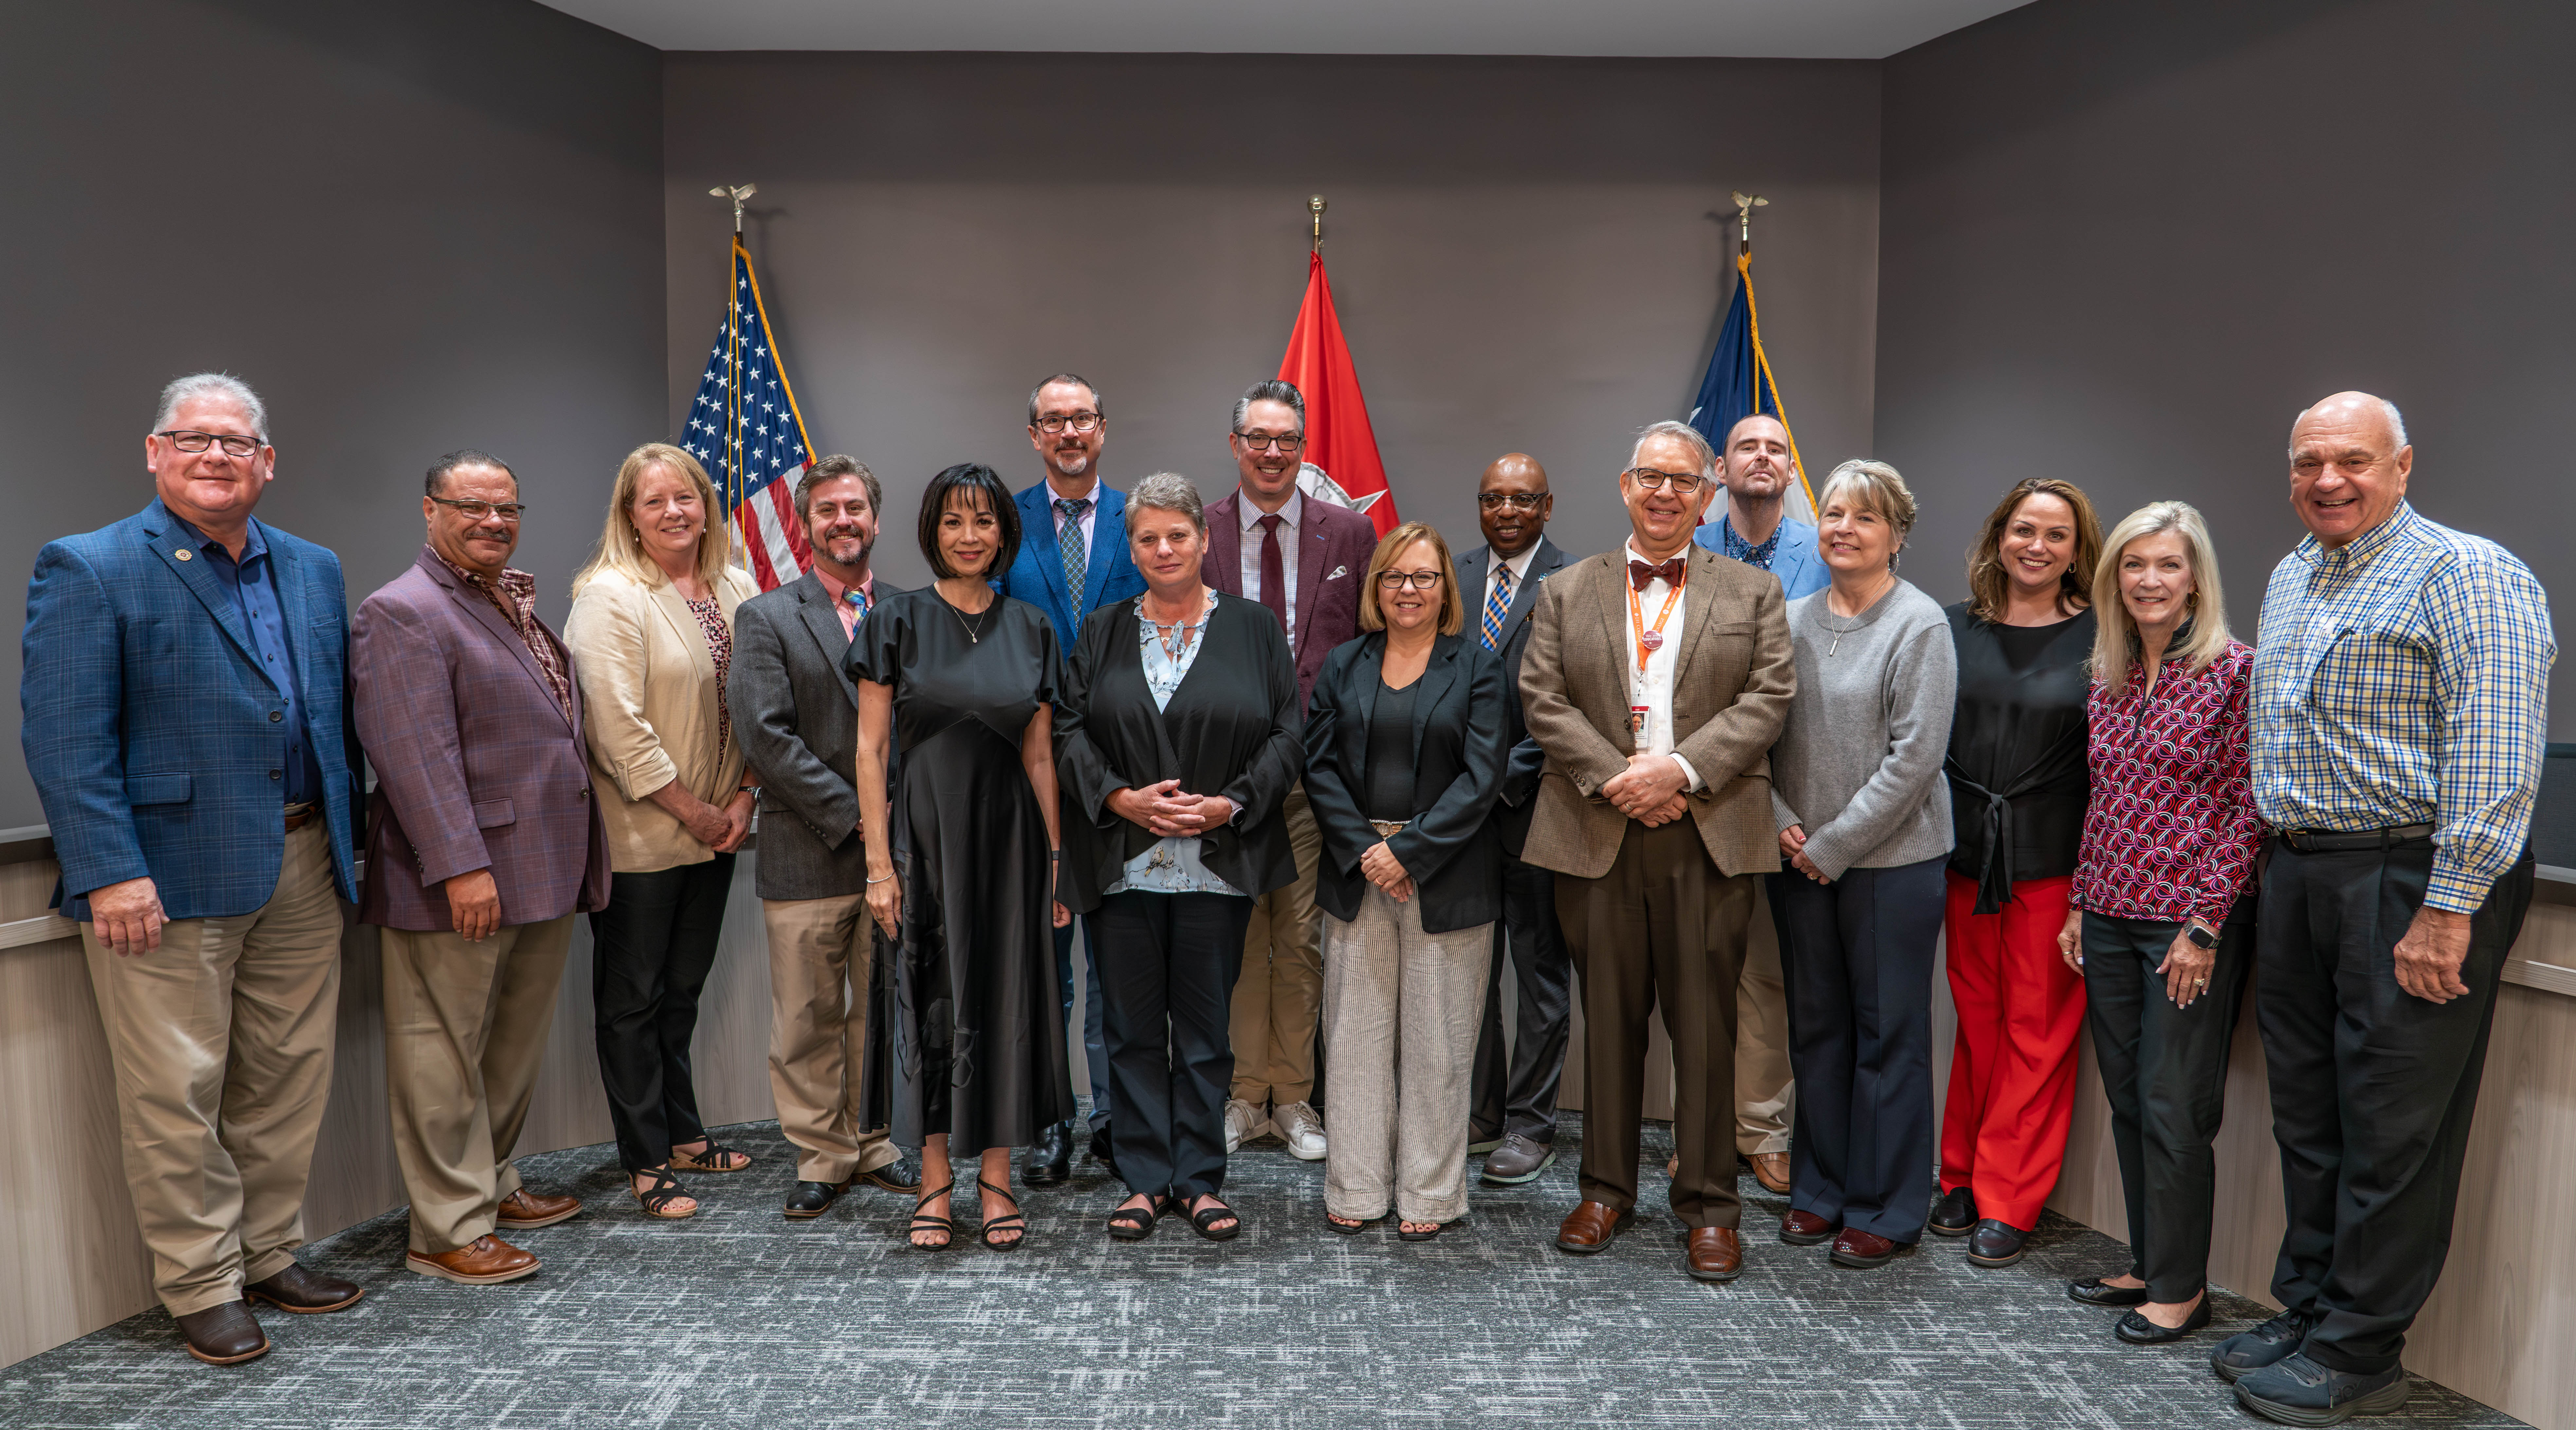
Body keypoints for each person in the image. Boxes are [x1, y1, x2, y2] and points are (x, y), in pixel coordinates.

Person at [2219, 393, 2552, 1425]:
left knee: (2390, 1125)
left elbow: (2496, 755)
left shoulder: (2469, 573)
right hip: (2302, 868)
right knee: (2309, 1117)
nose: (2327, 480)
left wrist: (2448, 905)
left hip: (2410, 876)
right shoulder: (2288, 575)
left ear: (2401, 466)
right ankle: (2311, 1308)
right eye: (2307, 461)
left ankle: (2359, 1351)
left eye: (2352, 461)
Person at [20, 373, 364, 1364]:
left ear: (267, 462)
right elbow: (65, 738)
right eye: (193, 439)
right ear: (153, 451)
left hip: (302, 857)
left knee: (287, 1079)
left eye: (236, 442)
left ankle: (268, 1252)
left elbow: (327, 720)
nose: (215, 456)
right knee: (176, 1091)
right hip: (162, 878)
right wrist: (108, 870)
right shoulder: (88, 568)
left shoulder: (311, 567)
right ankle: (202, 1283)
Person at [1520, 419, 1794, 1284]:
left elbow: (1767, 699)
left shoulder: (1750, 595)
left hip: (1707, 835)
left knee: (1705, 1029)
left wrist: (1675, 771)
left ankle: (1710, 1207)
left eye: (1682, 481)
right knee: (1608, 1022)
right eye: (1650, 478)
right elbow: (1542, 698)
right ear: (1624, 486)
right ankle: (1602, 1190)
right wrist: (1618, 780)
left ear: (1706, 494)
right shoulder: (1566, 589)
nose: (1665, 493)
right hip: (1596, 832)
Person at [353, 449, 611, 1284]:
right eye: (471, 506)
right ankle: (443, 1228)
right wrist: (461, 867)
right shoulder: (403, 611)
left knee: (507, 1046)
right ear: (429, 511)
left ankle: (490, 1185)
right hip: (462, 877)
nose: (493, 521)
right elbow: (413, 755)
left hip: (538, 863)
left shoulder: (507, 602)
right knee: (442, 1050)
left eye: (506, 507)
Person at [1056, 473, 1303, 1242]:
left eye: (1177, 535)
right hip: (1121, 863)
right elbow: (1067, 731)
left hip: (1217, 862)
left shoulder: (1255, 628)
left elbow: (1288, 735)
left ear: (1203, 539)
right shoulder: (1098, 631)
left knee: (1203, 1032)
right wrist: (1120, 799)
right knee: (1128, 1029)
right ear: (1130, 548)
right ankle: (1141, 1180)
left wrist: (1231, 802)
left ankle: (1197, 1181)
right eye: (1146, 538)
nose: (1162, 550)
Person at [851, 463, 1076, 1252]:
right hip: (923, 842)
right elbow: (870, 748)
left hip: (1012, 844)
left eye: (983, 522)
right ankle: (936, 1181)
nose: (970, 536)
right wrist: (879, 866)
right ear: (931, 532)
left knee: (1005, 999)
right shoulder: (895, 621)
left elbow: (1042, 758)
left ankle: (997, 1180)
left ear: (1004, 534)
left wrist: (1056, 860)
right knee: (931, 999)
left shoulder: (1033, 628)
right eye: (953, 522)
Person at [2060, 501, 2259, 1345]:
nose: (2148, 580)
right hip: (2105, 915)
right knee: (2130, 1100)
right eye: (2133, 565)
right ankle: (2149, 1260)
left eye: (2166, 565)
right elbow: (2101, 797)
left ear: (2195, 579)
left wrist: (2206, 923)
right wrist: (2077, 898)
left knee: (2175, 1106)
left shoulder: (2236, 671)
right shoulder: (2107, 673)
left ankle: (2182, 1289)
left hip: (2184, 924)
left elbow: (2247, 808)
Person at [564, 443, 761, 1220]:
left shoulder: (736, 587)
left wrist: (744, 797)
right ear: (629, 517)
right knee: (632, 1003)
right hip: (648, 836)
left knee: (681, 993)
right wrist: (694, 810)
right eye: (656, 502)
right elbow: (615, 728)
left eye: (687, 497)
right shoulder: (610, 595)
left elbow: (756, 706)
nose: (676, 512)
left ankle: (683, 1132)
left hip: (721, 830)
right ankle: (645, 1160)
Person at [1769, 459, 1957, 1271]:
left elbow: (1914, 757)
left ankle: (1886, 1206)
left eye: (1865, 518)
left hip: (1893, 864)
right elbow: (1756, 736)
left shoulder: (1918, 626)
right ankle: (1819, 1190)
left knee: (1888, 1038)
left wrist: (1832, 845)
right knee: (1816, 1033)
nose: (1843, 528)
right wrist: (1783, 826)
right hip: (1796, 855)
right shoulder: (1789, 618)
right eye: (1834, 513)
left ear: (1897, 536)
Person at [727, 455, 924, 1220]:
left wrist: (896, 836)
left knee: (879, 1010)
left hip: (902, 856)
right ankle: (821, 1153)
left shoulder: (915, 610)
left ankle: (875, 1142)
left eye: (855, 509)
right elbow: (766, 738)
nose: (843, 522)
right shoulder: (768, 617)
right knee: (806, 1016)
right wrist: (857, 818)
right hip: (808, 851)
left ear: (875, 519)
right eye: (826, 512)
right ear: (806, 525)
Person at [1308, 522, 1508, 1238]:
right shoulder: (1344, 663)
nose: (1408, 590)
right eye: (1394, 577)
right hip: (1359, 871)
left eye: (1424, 577)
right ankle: (1356, 1188)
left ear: (1444, 588)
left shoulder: (1477, 667)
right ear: (1375, 588)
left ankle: (1429, 1194)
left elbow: (1483, 778)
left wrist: (1410, 852)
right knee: (1354, 1039)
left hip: (1447, 873)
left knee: (1440, 1043)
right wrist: (1370, 850)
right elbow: (1319, 766)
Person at [1201, 378, 1379, 1160]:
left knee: (1302, 940)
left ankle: (1296, 1098)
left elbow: (1367, 647)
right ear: (1234, 445)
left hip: (1313, 776)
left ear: (1302, 449)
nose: (1273, 453)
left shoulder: (1348, 535)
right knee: (1240, 938)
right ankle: (1244, 1098)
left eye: (1286, 440)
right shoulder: (1195, 532)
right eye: (1258, 438)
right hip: (1227, 780)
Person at [1932, 477, 2104, 1269]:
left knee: (2035, 1035)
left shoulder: (2103, 638)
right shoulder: (1949, 625)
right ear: (1998, 535)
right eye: (2023, 529)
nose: (2036, 547)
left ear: (2076, 553)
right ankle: (1959, 1174)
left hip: (2050, 863)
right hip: (1963, 857)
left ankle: (2007, 1197)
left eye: (2055, 536)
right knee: (1976, 1024)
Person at [996, 373, 1146, 1185]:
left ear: (1101, 427)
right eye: (1052, 421)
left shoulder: (1142, 521)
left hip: (1122, 773)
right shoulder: (1004, 523)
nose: (1068, 433)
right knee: (1046, 971)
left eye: (1081, 418)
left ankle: (1115, 1120)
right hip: (1030, 775)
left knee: (1116, 968)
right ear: (1033, 436)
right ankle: (1050, 1121)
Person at [1691, 413, 1824, 1197]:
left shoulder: (1822, 550)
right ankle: (1702, 1134)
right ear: (1720, 466)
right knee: (1700, 972)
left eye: (1776, 449)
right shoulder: (1690, 547)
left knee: (1767, 977)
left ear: (1788, 468)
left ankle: (1763, 1130)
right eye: (1747, 446)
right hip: (1703, 786)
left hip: (1793, 790)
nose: (1762, 458)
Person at [1457, 455, 1575, 1185]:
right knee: (1468, 972)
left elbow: (1579, 700)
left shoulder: (1576, 582)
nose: (1506, 510)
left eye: (1521, 499)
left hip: (1540, 809)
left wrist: (1498, 779)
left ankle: (1531, 1125)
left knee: (1538, 976)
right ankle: (1479, 1112)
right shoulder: (1451, 573)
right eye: (1492, 497)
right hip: (1459, 821)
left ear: (1547, 505)